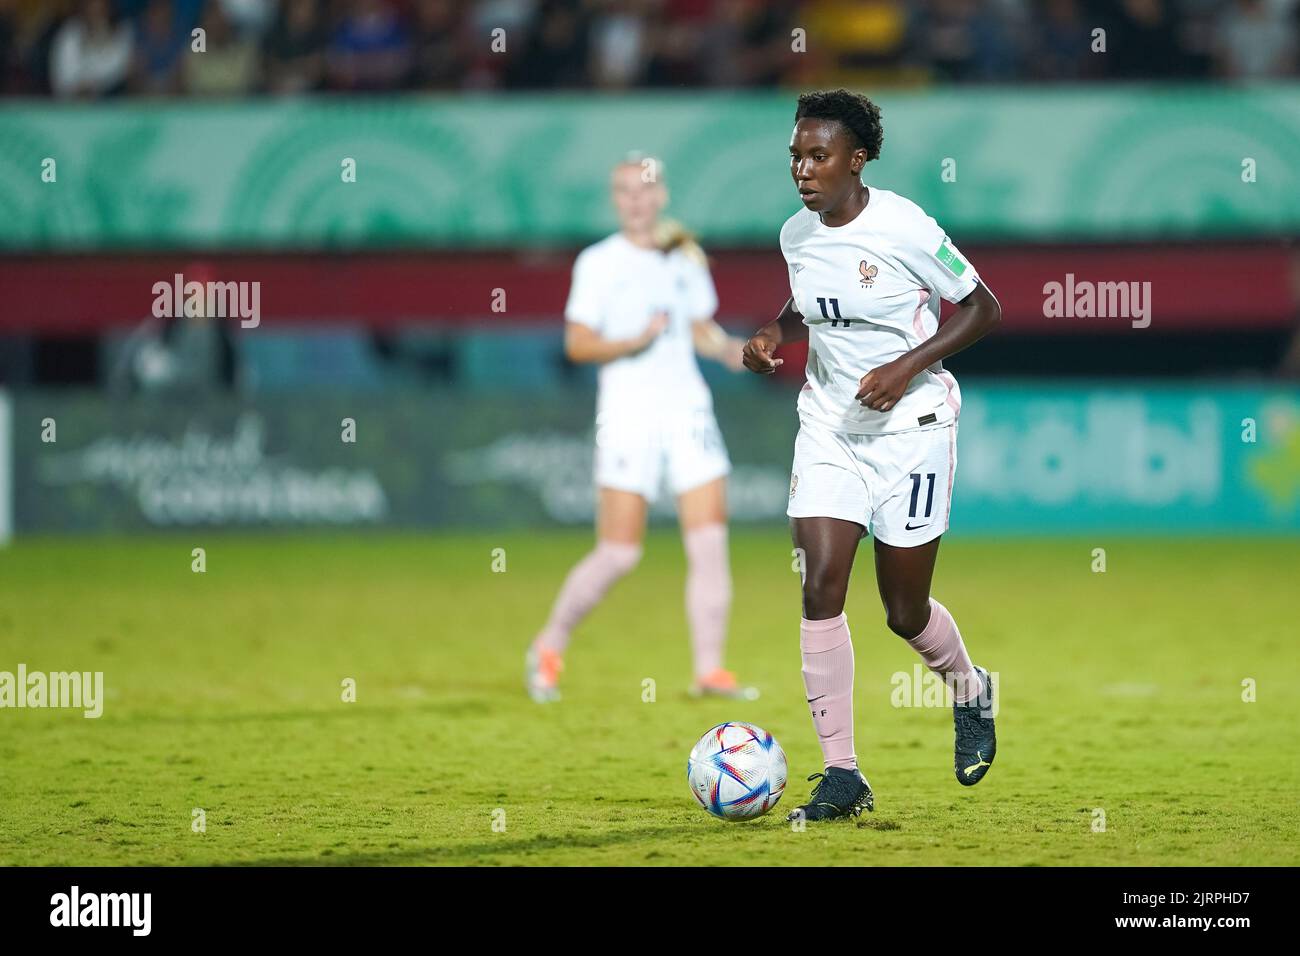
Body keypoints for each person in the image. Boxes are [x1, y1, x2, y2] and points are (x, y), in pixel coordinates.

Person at [743, 89, 1003, 822]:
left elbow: (985, 308)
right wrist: (773, 333)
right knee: (821, 584)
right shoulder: (796, 234)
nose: (802, 169)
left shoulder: (906, 227)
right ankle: (843, 774)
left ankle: (970, 690)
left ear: (857, 161)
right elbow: (808, 307)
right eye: (796, 155)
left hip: (912, 430)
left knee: (902, 609)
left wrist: (905, 367)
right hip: (827, 426)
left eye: (818, 155)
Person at [526, 155, 754, 704]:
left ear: (661, 195)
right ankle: (548, 645)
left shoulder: (684, 256)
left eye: (644, 189)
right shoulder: (598, 263)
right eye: (624, 191)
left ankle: (709, 670)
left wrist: (730, 350)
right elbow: (577, 344)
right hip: (628, 416)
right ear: (615, 199)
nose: (635, 199)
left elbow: (698, 329)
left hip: (689, 414)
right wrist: (635, 340)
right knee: (620, 554)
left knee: (709, 543)